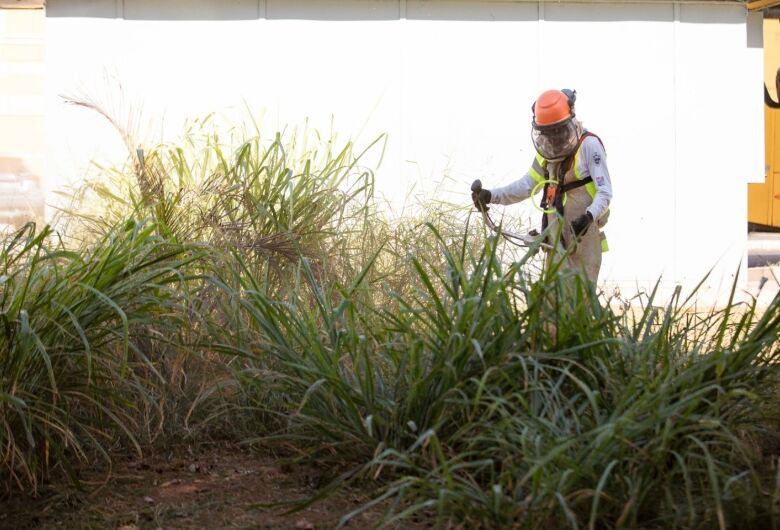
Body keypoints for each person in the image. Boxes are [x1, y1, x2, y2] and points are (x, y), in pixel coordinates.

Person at [471, 89, 613, 283]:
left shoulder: (589, 146)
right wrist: (491, 196)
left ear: (570, 122)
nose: (554, 139)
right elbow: (527, 185)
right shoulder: (546, 152)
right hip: (555, 242)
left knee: (581, 306)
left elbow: (605, 193)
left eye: (558, 131)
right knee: (552, 304)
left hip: (584, 241)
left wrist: (588, 217)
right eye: (548, 133)